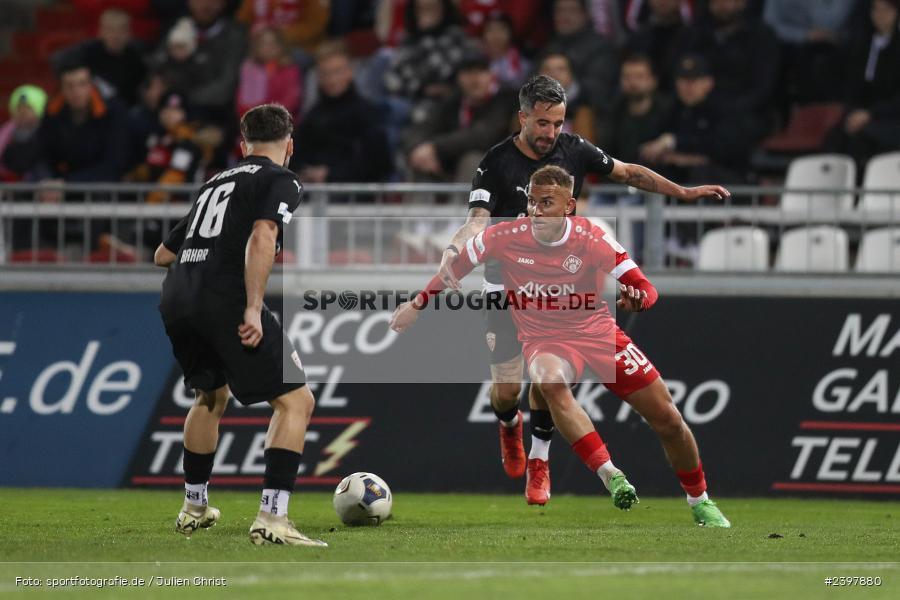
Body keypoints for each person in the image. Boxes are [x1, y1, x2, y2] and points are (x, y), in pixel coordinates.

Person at [431, 75, 729, 507]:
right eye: (542, 123)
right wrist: (455, 248)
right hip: (505, 284)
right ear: (523, 117)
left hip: (562, 288)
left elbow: (629, 173)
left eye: (557, 123)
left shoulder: (575, 149)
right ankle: (509, 423)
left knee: (547, 377)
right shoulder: (494, 163)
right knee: (507, 391)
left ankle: (540, 459)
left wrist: (679, 192)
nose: (550, 132)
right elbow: (478, 218)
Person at [392, 165, 732, 528]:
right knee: (549, 381)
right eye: (532, 202)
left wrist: (638, 300)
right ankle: (611, 476)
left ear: (569, 206)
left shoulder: (592, 237)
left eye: (547, 203)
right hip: (545, 339)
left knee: (669, 421)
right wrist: (416, 305)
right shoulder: (504, 236)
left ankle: (700, 501)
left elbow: (645, 286)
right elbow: (451, 271)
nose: (536, 212)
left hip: (598, 334)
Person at [153, 103, 327, 547]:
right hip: (225, 297)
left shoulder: (214, 182)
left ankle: (194, 507)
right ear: (289, 144)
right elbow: (263, 235)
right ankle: (273, 518)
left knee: (209, 396)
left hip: (177, 296)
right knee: (296, 401)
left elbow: (162, 254)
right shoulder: (280, 179)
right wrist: (252, 308)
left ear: (243, 143)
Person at [291, 43, 392, 183]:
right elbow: (297, 155)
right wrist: (307, 172)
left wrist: (331, 174)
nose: (332, 79)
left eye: (337, 71)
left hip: (355, 198)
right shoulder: (313, 116)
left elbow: (379, 163)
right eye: (325, 74)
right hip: (314, 195)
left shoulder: (367, 113)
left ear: (349, 72)